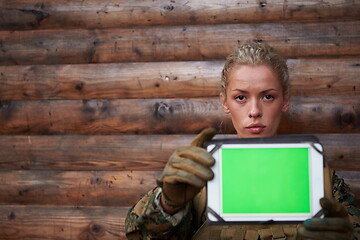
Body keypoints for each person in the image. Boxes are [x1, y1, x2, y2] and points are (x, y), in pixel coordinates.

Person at [125, 41, 360, 239]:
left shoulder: (322, 179)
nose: (254, 110)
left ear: (285, 101)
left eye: (268, 96)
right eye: (240, 97)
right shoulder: (198, 174)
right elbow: (137, 234)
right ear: (225, 102)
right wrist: (168, 203)